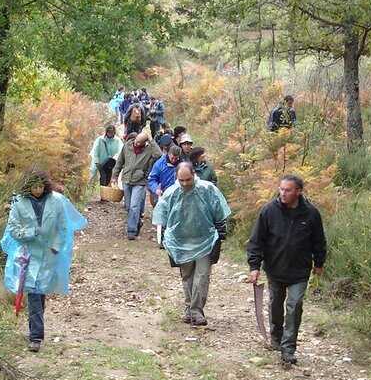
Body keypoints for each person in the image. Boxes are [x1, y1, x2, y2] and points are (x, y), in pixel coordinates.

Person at [1, 169, 87, 352]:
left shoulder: (55, 201)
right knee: (33, 292)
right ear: (28, 186)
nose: (38, 190)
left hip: (49, 253)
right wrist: (32, 233)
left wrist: (57, 245)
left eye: (41, 186)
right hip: (28, 253)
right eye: (34, 186)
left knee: (40, 293)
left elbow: (63, 226)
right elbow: (13, 229)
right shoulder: (19, 202)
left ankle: (36, 329)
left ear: (46, 186)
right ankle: (36, 336)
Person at [246, 173, 326, 365]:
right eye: (281, 189)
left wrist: (319, 263)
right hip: (275, 268)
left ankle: (288, 347)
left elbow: (319, 241)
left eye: (288, 190)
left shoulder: (311, 214)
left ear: (298, 191)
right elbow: (257, 241)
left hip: (300, 270)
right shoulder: (269, 211)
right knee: (276, 304)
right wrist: (254, 266)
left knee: (295, 305)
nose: (283, 193)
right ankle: (276, 336)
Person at [152, 162, 231, 326]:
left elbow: (219, 213)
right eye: (181, 180)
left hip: (206, 240)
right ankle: (189, 309)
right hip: (181, 241)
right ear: (176, 177)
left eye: (188, 179)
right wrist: (167, 240)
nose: (185, 184)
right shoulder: (171, 193)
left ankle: (197, 311)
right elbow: (163, 217)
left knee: (202, 276)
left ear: (194, 174)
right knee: (187, 276)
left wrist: (220, 234)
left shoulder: (207, 190)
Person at [112, 131, 161, 240]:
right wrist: (114, 176)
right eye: (136, 141)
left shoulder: (149, 150)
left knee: (134, 206)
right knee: (129, 207)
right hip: (126, 179)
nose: (136, 143)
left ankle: (131, 231)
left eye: (139, 142)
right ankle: (137, 222)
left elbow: (159, 154)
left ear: (145, 142)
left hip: (139, 181)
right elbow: (120, 161)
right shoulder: (127, 146)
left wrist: (151, 140)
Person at [90, 124, 122, 188]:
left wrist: (115, 159)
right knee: (103, 178)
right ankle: (103, 195)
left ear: (114, 133)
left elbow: (120, 151)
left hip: (111, 163)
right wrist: (96, 161)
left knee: (108, 178)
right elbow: (95, 151)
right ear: (106, 132)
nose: (110, 134)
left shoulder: (117, 140)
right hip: (101, 163)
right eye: (108, 132)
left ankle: (106, 194)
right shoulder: (100, 139)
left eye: (111, 132)